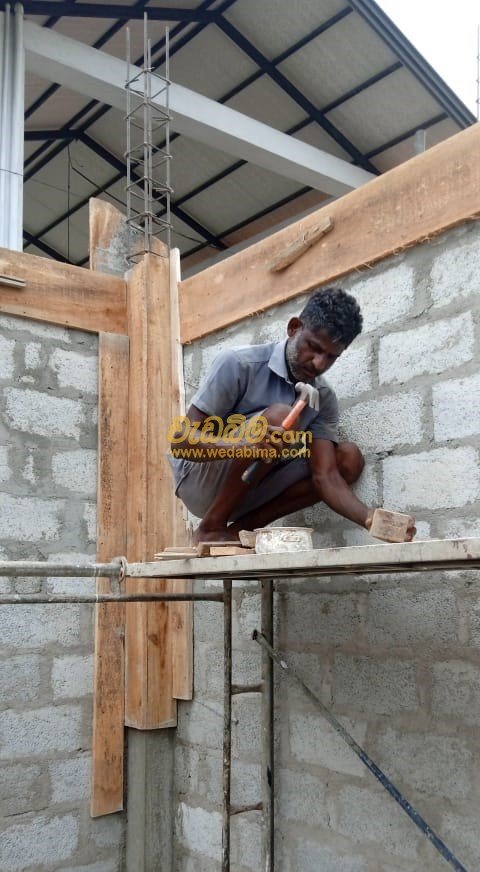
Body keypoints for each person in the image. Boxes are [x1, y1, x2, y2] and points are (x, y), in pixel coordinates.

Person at [168, 287, 415, 544]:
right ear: (294, 328)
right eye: (314, 347)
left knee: (348, 458)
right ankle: (210, 527)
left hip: (250, 490)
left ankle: (236, 532)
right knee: (280, 418)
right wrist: (243, 446)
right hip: (199, 481)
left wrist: (371, 519)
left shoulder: (323, 398)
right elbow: (180, 442)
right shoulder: (239, 363)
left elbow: (325, 476)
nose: (319, 364)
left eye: (331, 357)